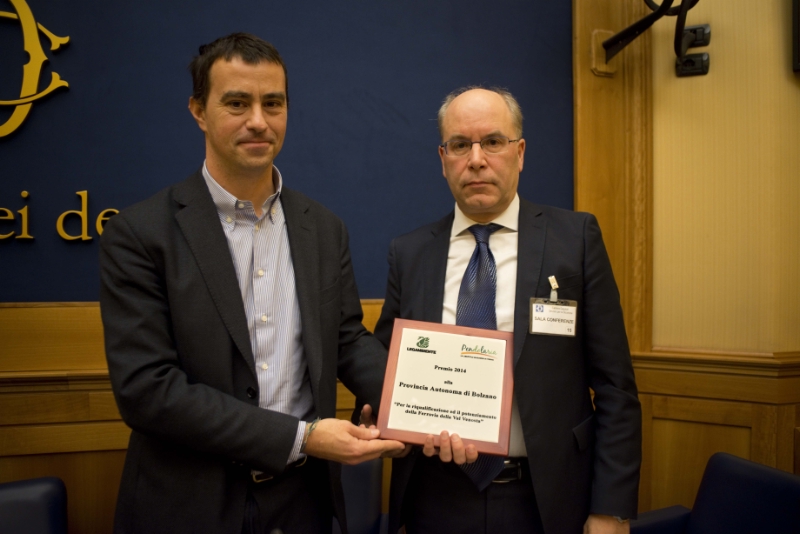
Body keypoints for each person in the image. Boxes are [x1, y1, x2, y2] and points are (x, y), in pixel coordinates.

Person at [99, 32, 403, 534]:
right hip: (188, 506)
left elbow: (347, 339)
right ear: (199, 111)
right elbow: (147, 390)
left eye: (273, 103)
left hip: (302, 504)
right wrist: (303, 437)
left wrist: (418, 406)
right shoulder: (140, 234)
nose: (259, 121)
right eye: (237, 103)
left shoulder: (324, 228)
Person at [373, 87, 642, 534]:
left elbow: (616, 386)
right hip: (436, 497)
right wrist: (382, 418)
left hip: (546, 498)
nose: (476, 159)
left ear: (519, 153)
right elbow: (386, 369)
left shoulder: (574, 239)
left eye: (493, 142)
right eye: (460, 145)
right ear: (443, 159)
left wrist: (611, 509)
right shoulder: (410, 252)